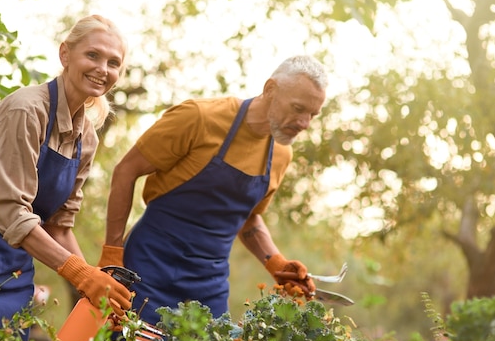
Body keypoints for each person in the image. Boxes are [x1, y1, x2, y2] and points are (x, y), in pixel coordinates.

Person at [0, 15, 132, 340]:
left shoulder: (86, 137)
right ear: (65, 55)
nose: (103, 68)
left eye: (113, 62)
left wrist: (94, 290)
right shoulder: (26, 110)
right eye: (93, 55)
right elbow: (12, 213)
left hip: (13, 270)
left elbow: (59, 226)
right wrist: (83, 275)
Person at [99, 55, 328, 327]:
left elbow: (248, 216)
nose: (304, 123)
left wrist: (276, 264)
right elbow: (126, 170)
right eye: (298, 108)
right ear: (270, 90)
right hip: (149, 269)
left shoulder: (281, 154)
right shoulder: (199, 117)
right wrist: (113, 250)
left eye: (312, 114)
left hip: (210, 285)